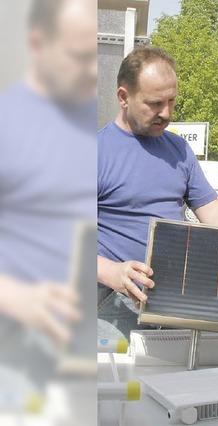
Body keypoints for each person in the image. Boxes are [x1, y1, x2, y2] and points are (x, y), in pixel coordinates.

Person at [98, 46, 218, 340]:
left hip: (175, 302)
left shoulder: (179, 150)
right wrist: (113, 273)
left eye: (172, 101)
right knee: (119, 387)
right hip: (112, 307)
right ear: (123, 97)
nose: (167, 113)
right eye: (155, 103)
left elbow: (211, 212)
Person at [0, 0, 95, 388]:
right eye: (80, 56)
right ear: (38, 44)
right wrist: (13, 296)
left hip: (80, 354)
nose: (93, 71)